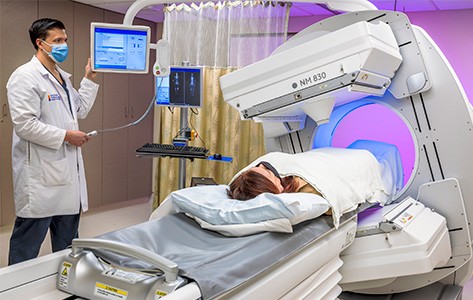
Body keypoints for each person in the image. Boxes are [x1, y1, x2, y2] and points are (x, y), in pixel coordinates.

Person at [6, 18, 99, 265]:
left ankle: (68, 283)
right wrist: (66, 136)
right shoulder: (25, 77)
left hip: (67, 177)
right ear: (40, 43)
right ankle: (15, 289)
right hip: (40, 179)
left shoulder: (61, 77)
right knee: (26, 248)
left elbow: (80, 110)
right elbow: (25, 125)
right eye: (57, 41)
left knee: (68, 248)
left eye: (65, 40)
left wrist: (89, 78)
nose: (63, 45)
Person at [227, 161, 324, 200]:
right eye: (268, 171)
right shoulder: (308, 190)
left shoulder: (287, 177)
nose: (262, 165)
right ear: (278, 188)